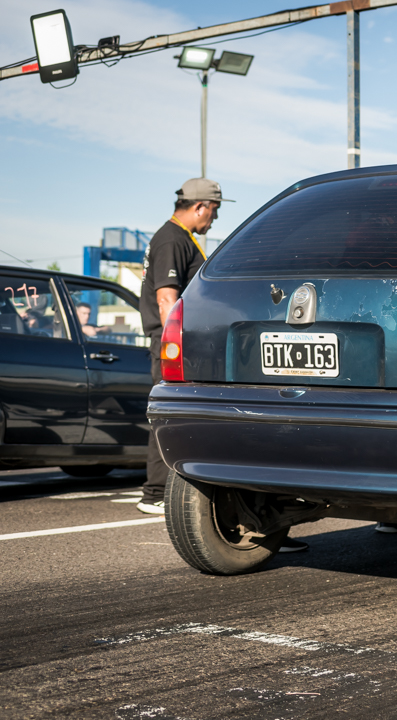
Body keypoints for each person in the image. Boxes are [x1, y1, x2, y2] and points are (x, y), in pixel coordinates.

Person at [135, 178, 309, 551]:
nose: (213, 219)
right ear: (200, 206)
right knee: (173, 416)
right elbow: (166, 298)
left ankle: (261, 518)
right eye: (214, 210)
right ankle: (156, 492)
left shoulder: (177, 237)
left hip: (182, 340)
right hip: (176, 342)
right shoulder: (172, 239)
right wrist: (177, 344)